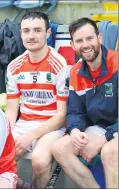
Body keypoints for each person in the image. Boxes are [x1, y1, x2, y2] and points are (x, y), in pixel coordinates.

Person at [5, 12, 70, 188]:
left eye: (37, 30)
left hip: (52, 126)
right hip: (24, 123)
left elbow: (62, 115)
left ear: (47, 33)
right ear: (21, 34)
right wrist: (6, 134)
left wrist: (30, 137)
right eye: (26, 31)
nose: (31, 36)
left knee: (39, 162)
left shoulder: (60, 65)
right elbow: (11, 110)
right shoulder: (14, 66)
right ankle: (24, 186)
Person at [52, 17, 118, 188]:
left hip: (114, 130)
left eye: (89, 38)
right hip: (101, 127)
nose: (86, 44)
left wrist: (103, 139)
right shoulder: (75, 72)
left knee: (110, 151)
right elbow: (75, 112)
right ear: (73, 46)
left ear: (100, 38)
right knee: (60, 148)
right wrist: (74, 130)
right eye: (79, 41)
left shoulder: (117, 64)